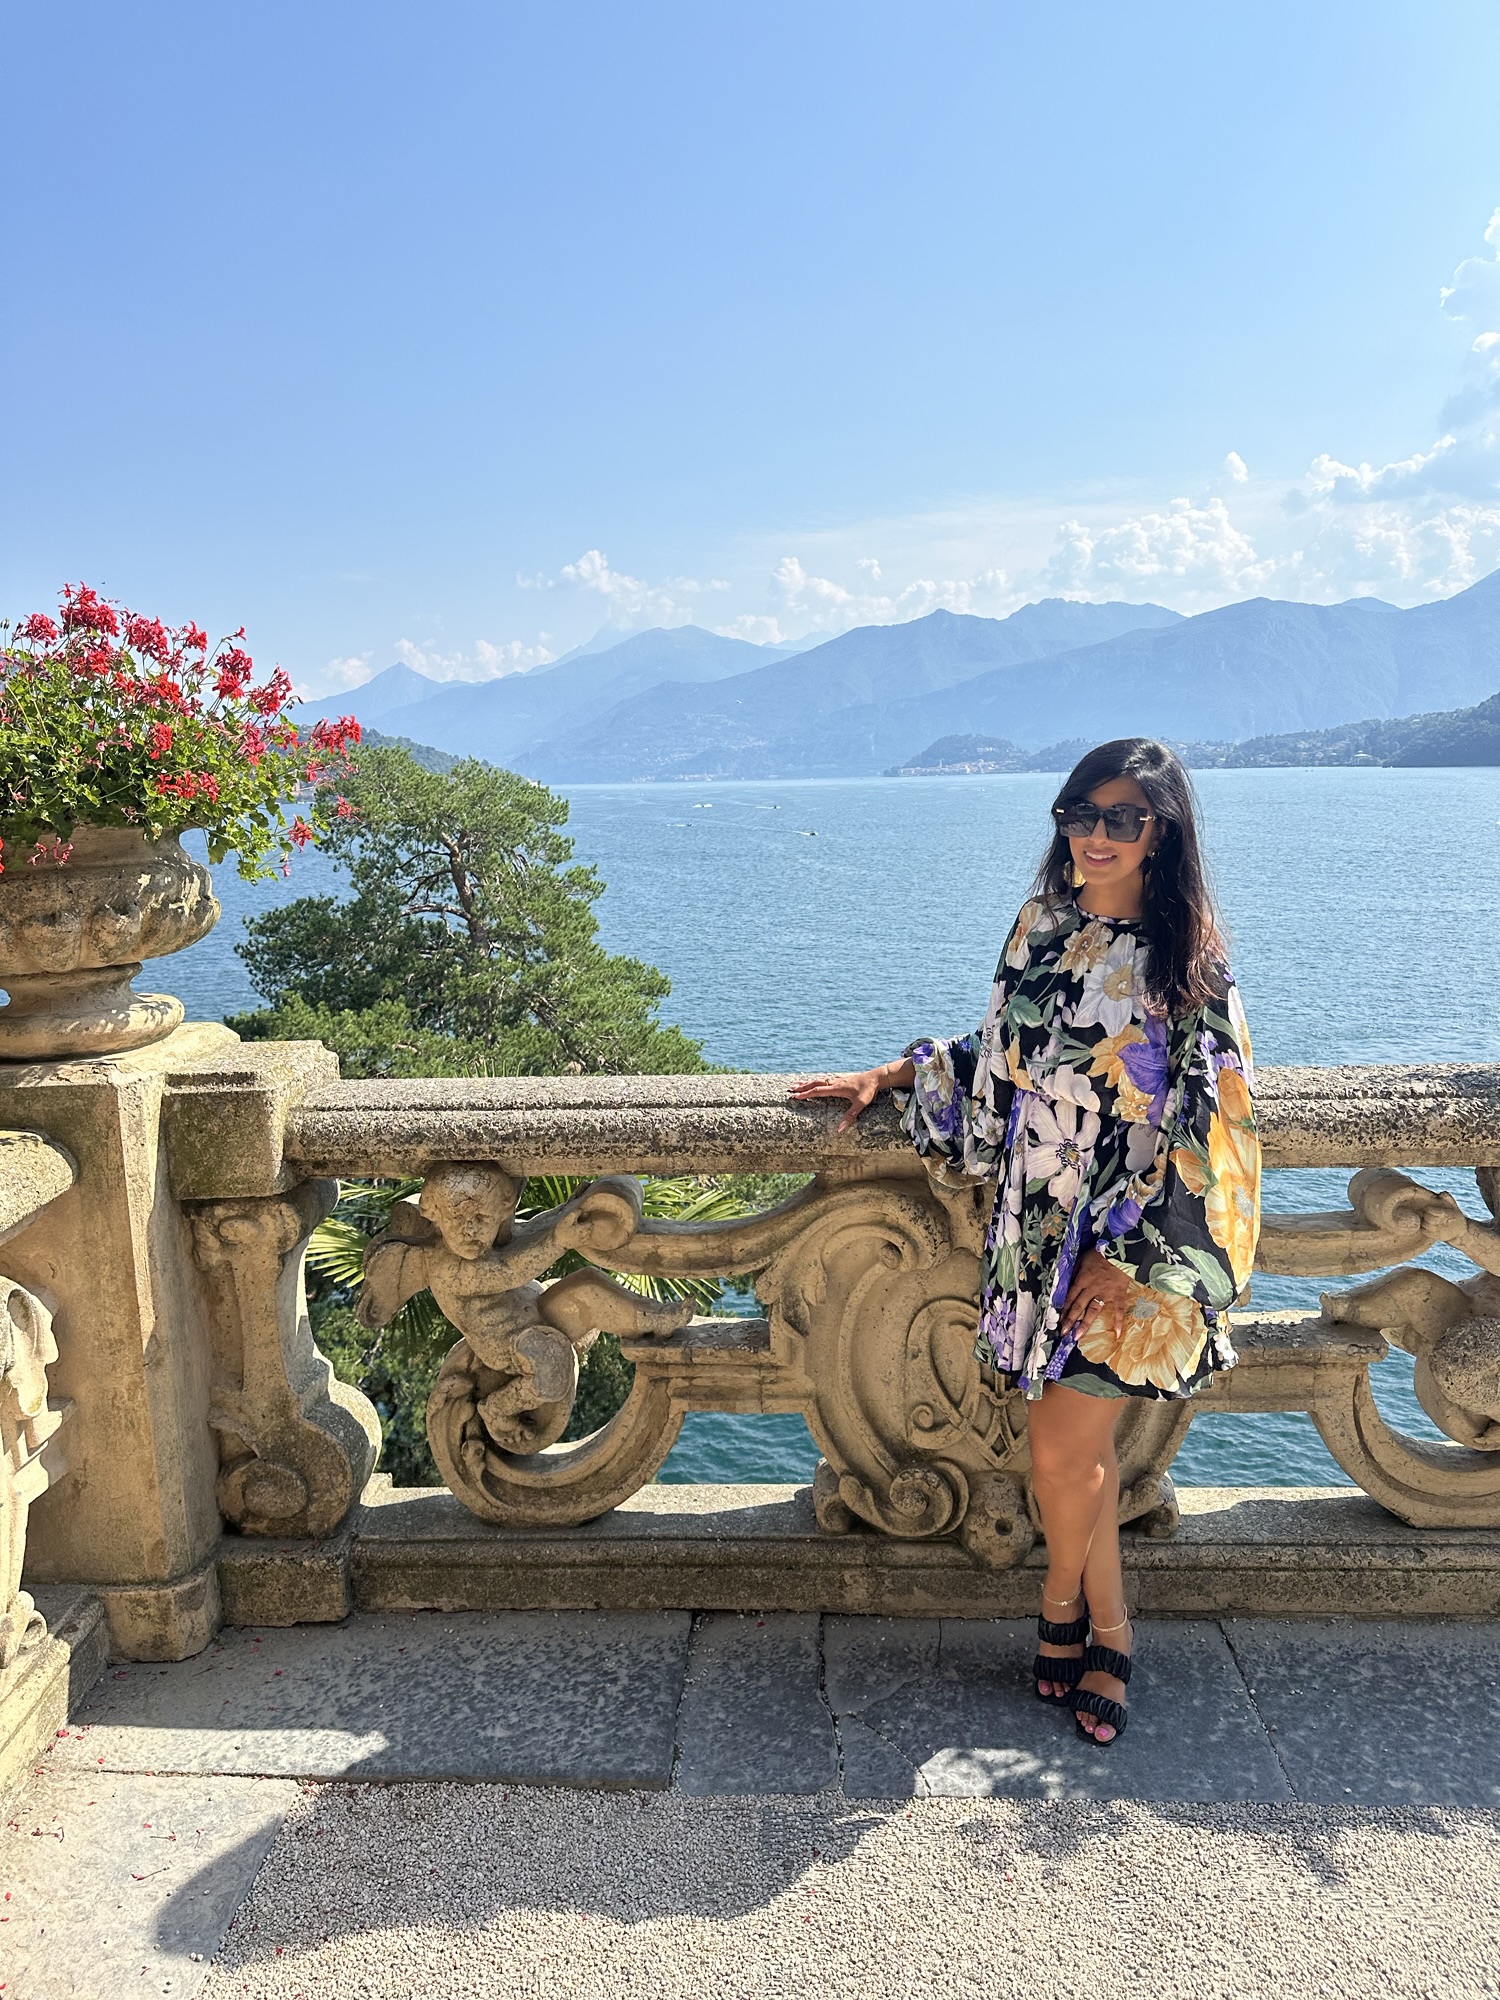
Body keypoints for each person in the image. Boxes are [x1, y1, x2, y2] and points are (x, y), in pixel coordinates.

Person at [789, 737, 1261, 1747]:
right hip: (1035, 1224)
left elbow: (1216, 1124)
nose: (1097, 835)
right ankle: (1097, 1625)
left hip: (1126, 1242)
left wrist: (1124, 1256)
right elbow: (1003, 1051)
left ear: (1164, 830)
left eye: (1122, 817)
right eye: (1080, 815)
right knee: (1071, 1454)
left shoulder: (1190, 963)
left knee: (1062, 1449)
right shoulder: (1042, 926)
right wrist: (892, 1074)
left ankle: (1076, 1617)